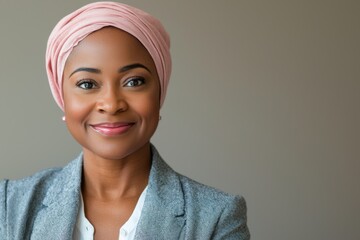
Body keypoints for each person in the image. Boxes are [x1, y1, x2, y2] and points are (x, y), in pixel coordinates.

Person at [0, 2, 250, 239]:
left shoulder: (218, 217)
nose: (111, 104)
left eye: (134, 81)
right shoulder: (9, 206)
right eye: (87, 84)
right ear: (61, 96)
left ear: (159, 92)